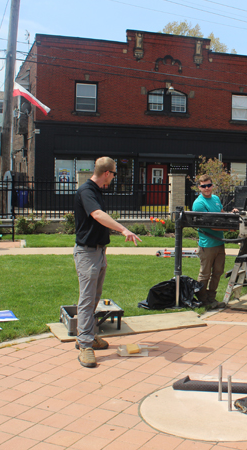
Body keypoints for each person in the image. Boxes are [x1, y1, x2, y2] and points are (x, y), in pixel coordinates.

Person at [74, 157, 141, 368]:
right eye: (114, 174)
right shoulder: (87, 191)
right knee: (86, 298)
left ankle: (88, 335)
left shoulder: (96, 191)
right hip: (87, 253)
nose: (113, 178)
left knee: (95, 296)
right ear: (107, 173)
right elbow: (97, 214)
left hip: (99, 252)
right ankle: (85, 345)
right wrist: (123, 229)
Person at [192, 174, 230, 310]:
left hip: (219, 243)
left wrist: (232, 216)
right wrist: (228, 227)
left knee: (218, 272)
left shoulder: (215, 199)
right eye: (203, 186)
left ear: (212, 185)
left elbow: (222, 213)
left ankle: (211, 298)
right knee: (205, 274)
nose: (206, 188)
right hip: (207, 245)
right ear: (199, 187)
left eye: (208, 185)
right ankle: (202, 299)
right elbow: (208, 225)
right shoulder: (199, 203)